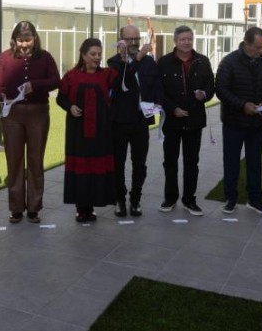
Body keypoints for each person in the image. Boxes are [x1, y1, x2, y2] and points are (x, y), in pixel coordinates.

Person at [0, 21, 60, 224]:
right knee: (14, 161)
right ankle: (16, 208)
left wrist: (35, 85)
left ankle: (34, 208)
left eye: (27, 40)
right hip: (12, 114)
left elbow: (56, 80)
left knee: (35, 160)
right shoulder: (5, 57)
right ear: (14, 40)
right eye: (20, 40)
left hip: (38, 113)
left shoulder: (45, 57)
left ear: (35, 39)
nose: (24, 44)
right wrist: (1, 96)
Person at [216, 26, 262, 215]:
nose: (261, 51)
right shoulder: (229, 62)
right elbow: (221, 89)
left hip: (256, 123)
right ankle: (230, 198)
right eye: (258, 47)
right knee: (231, 162)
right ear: (246, 43)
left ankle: (255, 199)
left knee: (254, 162)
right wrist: (242, 105)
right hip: (234, 122)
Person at [57, 38, 117, 222]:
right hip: (77, 133)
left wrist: (124, 51)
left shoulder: (107, 74)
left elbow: (124, 74)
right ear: (83, 55)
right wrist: (70, 107)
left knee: (95, 167)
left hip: (101, 132)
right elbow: (60, 98)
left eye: (99, 54)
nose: (97, 57)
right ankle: (81, 208)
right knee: (81, 169)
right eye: (92, 54)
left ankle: (91, 207)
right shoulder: (71, 76)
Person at [157, 26, 215, 216]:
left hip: (194, 120)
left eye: (189, 38)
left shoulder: (202, 61)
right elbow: (159, 91)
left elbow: (211, 87)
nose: (186, 42)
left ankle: (190, 200)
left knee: (191, 162)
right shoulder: (164, 62)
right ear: (175, 41)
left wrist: (204, 95)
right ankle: (170, 197)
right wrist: (173, 109)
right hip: (171, 121)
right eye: (182, 39)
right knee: (170, 161)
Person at [107, 24, 162, 217]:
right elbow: (123, 81)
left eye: (136, 39)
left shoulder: (149, 62)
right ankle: (120, 200)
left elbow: (157, 86)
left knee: (140, 163)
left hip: (141, 120)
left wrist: (157, 103)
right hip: (120, 121)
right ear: (120, 41)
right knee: (118, 163)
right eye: (128, 39)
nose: (133, 43)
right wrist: (136, 59)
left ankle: (135, 199)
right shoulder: (114, 62)